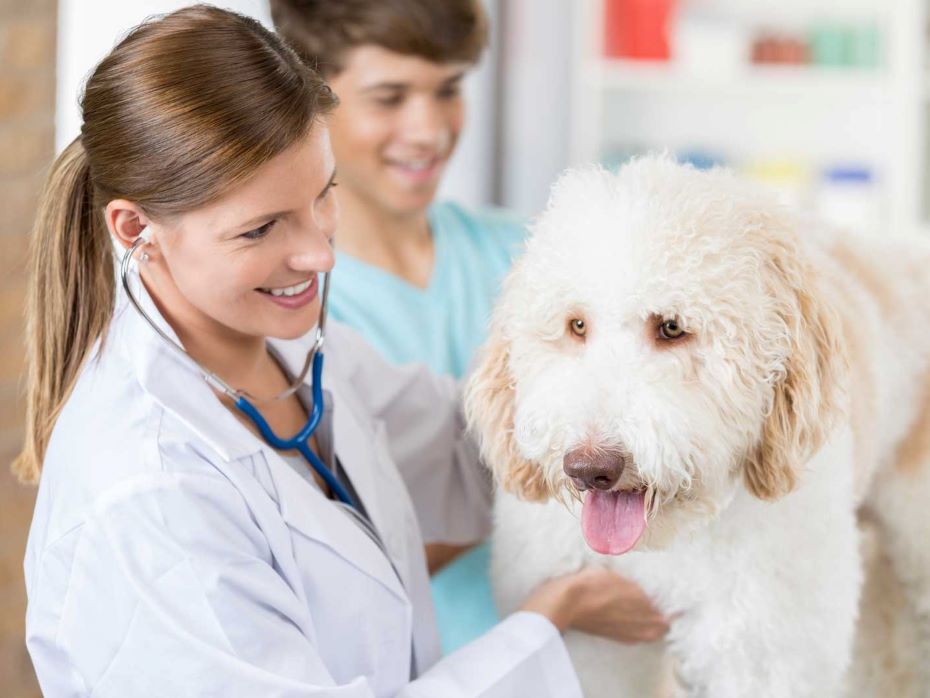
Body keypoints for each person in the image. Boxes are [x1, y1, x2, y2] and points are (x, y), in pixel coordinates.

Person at [16, 7, 668, 697]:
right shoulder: (146, 492)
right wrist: (545, 623)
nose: (320, 253)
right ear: (136, 228)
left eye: (322, 196)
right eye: (261, 228)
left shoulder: (288, 352)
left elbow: (470, 445)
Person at [269, 0, 669, 654]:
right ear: (308, 104)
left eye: (448, 89)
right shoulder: (293, 309)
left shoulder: (527, 250)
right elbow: (329, 566)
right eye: (389, 97)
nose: (427, 129)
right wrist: (536, 515)